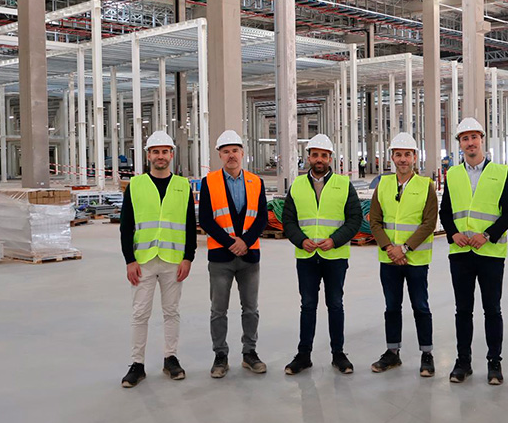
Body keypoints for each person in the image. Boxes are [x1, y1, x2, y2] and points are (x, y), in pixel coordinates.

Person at [439, 117, 508, 385]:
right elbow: (445, 212)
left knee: (492, 310)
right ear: (459, 144)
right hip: (460, 254)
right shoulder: (452, 174)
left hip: (491, 254)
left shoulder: (499, 172)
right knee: (463, 310)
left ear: (482, 140)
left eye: (474, 137)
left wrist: (488, 235)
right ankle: (463, 362)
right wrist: (453, 234)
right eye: (464, 138)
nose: (470, 143)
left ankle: (494, 362)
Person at [119, 131, 197, 388]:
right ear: (148, 155)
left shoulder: (183, 185)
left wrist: (188, 258)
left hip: (173, 260)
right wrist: (129, 260)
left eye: (165, 151)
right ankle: (136, 364)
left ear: (171, 155)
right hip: (143, 261)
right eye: (155, 152)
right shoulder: (136, 185)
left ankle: (170, 358)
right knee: (140, 313)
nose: (160, 156)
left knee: (171, 312)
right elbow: (126, 226)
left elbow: (189, 224)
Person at [282, 134, 362, 375]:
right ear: (308, 157)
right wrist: (301, 240)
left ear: (330, 158)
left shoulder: (343, 185)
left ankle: (338, 354)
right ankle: (303, 354)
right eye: (315, 154)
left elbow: (355, 219)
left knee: (335, 304)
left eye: (323, 155)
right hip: (306, 258)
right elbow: (288, 220)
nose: (319, 159)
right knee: (307, 305)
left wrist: (334, 240)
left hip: (335, 256)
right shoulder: (297, 185)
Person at [198, 130, 268, 378]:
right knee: (219, 310)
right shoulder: (209, 182)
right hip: (220, 258)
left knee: (251, 308)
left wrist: (245, 242)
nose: (231, 155)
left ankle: (250, 353)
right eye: (226, 151)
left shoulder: (256, 182)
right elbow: (205, 219)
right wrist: (231, 243)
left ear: (242, 153)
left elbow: (261, 218)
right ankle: (220, 356)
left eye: (235, 150)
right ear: (219, 155)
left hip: (249, 258)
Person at [369, 132, 437, 377]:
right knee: (391, 306)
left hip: (416, 259)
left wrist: (405, 249)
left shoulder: (425, 185)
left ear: (415, 157)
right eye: (398, 154)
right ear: (392, 157)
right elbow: (374, 220)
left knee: (420, 306)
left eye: (407, 154)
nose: (403, 159)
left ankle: (426, 354)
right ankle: (392, 352)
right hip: (389, 259)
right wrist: (390, 248)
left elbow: (429, 223)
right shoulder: (383, 184)